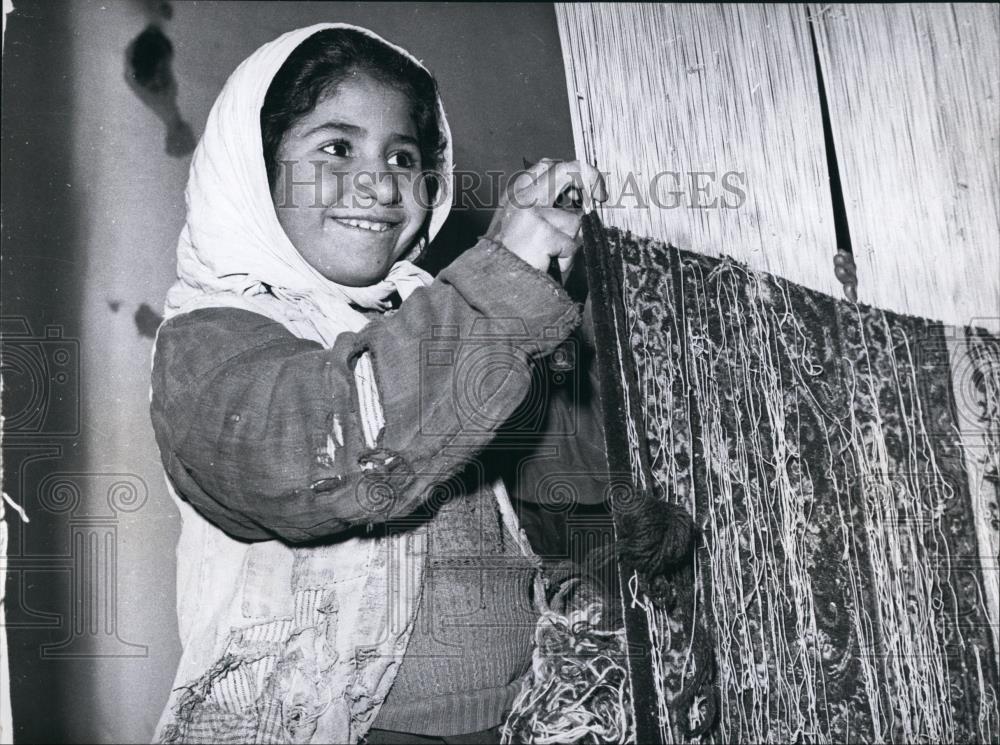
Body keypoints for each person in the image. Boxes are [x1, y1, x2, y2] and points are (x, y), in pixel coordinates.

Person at [149, 23, 609, 745]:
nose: (381, 181)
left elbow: (554, 488)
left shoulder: (434, 310)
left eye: (404, 155)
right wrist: (498, 287)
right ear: (255, 171)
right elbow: (316, 447)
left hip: (516, 717)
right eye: (337, 147)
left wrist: (568, 312)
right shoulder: (209, 339)